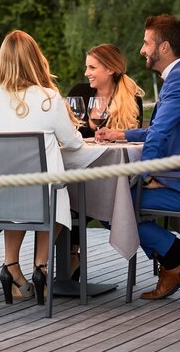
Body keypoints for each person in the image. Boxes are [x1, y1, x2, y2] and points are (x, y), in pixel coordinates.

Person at [96, 15, 180, 300]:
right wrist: (123, 135)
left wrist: (146, 175)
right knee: (113, 200)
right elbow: (158, 130)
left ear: (163, 47)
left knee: (108, 204)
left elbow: (159, 134)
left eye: (146, 42)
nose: (142, 49)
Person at [0, 30, 84, 305]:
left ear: (1, 61)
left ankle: (11, 265)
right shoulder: (49, 99)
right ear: (36, 60)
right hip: (39, 196)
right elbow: (73, 143)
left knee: (17, 193)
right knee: (52, 193)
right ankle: (41, 267)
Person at [66, 44, 144, 278]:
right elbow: (69, 133)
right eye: (86, 67)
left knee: (77, 196)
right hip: (81, 170)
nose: (86, 72)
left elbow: (133, 140)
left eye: (92, 67)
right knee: (65, 193)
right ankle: (70, 255)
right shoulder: (79, 92)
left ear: (110, 69)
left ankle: (71, 256)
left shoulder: (131, 98)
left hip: (113, 175)